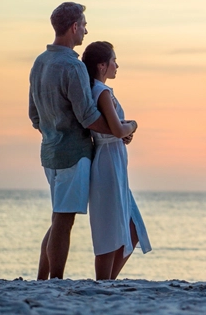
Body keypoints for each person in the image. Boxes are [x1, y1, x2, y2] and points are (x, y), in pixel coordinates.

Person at [28, 2, 131, 280]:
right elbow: (87, 117)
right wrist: (119, 130)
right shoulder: (72, 66)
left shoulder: (40, 62)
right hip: (73, 153)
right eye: (84, 25)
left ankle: (42, 279)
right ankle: (55, 281)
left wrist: (52, 132)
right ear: (74, 27)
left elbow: (34, 116)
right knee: (64, 220)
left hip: (49, 152)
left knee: (58, 217)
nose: (85, 30)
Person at [82, 41, 151, 280]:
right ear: (102, 65)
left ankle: (108, 281)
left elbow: (115, 129)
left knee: (131, 228)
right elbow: (118, 130)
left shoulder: (97, 91)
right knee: (110, 227)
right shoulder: (102, 92)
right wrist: (133, 124)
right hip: (108, 162)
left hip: (114, 159)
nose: (117, 65)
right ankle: (105, 283)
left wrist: (122, 130)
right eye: (113, 60)